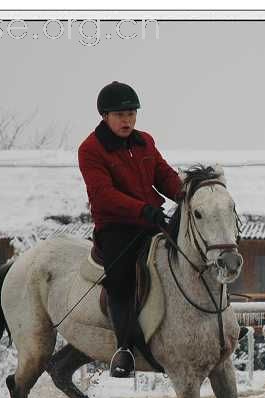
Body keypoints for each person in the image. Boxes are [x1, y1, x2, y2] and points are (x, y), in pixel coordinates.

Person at [78, 81, 184, 378]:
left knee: (190, 254)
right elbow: (103, 194)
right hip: (116, 227)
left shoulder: (145, 141)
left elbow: (163, 175)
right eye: (120, 114)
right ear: (105, 116)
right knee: (122, 279)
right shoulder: (90, 149)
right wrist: (141, 209)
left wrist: (185, 194)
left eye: (132, 114)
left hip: (150, 220)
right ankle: (124, 349)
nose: (127, 120)